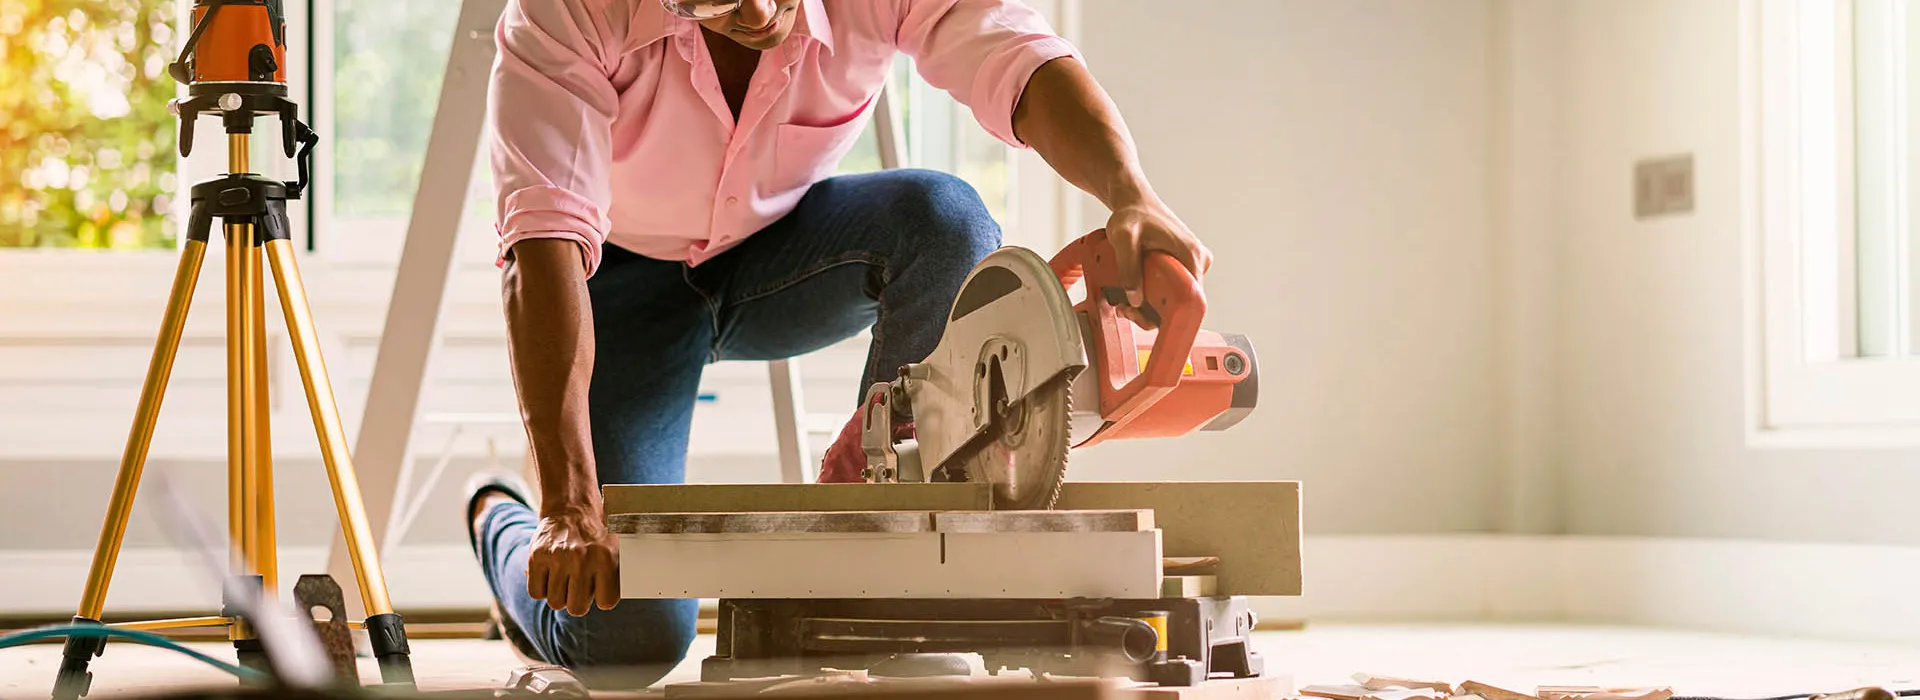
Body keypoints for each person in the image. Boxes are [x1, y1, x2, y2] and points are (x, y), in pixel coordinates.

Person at [462, 0, 1212, 687]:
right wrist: (567, 508)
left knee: (945, 221)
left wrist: (1130, 193)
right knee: (629, 640)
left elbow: (1017, 55)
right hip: (618, 285)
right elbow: (544, 244)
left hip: (781, 254)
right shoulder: (565, 10)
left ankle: (884, 571)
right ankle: (499, 519)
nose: (756, 12)